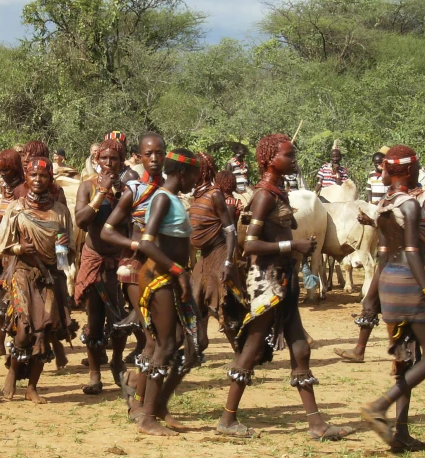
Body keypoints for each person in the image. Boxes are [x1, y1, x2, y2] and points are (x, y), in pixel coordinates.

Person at [218, 133, 352, 441]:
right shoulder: (264, 195)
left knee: (301, 349)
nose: (293, 161)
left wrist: (297, 250)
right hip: (267, 281)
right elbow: (250, 244)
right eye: (288, 156)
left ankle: (316, 424)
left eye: (293, 156)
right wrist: (293, 243)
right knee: (251, 350)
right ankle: (227, 419)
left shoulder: (277, 193)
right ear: (268, 160)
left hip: (284, 278)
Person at [360, 145, 425, 452]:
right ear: (408, 170)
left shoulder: (384, 204)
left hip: (389, 286)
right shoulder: (408, 205)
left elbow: (382, 255)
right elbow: (411, 253)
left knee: (405, 361)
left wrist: (372, 298)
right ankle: (379, 406)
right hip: (410, 284)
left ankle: (401, 435)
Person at [134, 148, 204, 436]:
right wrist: (180, 272)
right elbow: (147, 244)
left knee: (182, 340)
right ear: (181, 173)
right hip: (160, 277)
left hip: (170, 277)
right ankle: (147, 417)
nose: (196, 182)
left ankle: (158, 407)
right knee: (165, 345)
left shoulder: (172, 199)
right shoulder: (162, 198)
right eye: (194, 176)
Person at [0, 156, 75, 403]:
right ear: (26, 179)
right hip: (22, 273)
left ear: (50, 179)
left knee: (43, 330)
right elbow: (2, 246)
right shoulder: (16, 209)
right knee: (23, 329)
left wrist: (64, 251)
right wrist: (20, 249)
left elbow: (69, 252)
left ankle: (32, 387)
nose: (38, 180)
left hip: (49, 276)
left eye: (43, 176)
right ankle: (12, 370)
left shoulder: (60, 211)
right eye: (33, 176)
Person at [334, 173, 425, 364]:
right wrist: (372, 222)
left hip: (405, 262)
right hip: (387, 261)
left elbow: (424, 230)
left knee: (408, 308)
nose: (383, 174)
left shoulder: (416, 199)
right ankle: (359, 350)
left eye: (387, 170)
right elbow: (389, 228)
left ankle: (424, 356)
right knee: (370, 302)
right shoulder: (390, 198)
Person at [102, 132, 165, 420]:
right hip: (136, 270)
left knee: (163, 339)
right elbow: (108, 231)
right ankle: (142, 405)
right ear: (138, 157)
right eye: (148, 154)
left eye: (159, 153)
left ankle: (139, 394)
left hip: (163, 270)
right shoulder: (134, 191)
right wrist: (137, 244)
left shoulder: (170, 189)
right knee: (153, 338)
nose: (154, 158)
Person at [74, 138, 130, 394]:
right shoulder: (87, 187)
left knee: (119, 318)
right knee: (94, 318)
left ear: (122, 162)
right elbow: (82, 221)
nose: (108, 163)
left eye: (114, 159)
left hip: (120, 261)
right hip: (94, 259)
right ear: (96, 159)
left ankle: (117, 363)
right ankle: (95, 374)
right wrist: (102, 194)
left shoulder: (130, 189)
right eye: (104, 158)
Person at [189, 153, 245, 353]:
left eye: (194, 169)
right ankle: (200, 343)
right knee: (196, 300)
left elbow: (230, 230)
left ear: (202, 171)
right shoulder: (197, 195)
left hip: (219, 254)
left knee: (224, 306)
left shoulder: (215, 194)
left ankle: (241, 353)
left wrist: (228, 262)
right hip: (204, 257)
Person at [0, 149, 31, 360]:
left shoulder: (24, 189)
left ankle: (12, 343)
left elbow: (26, 220)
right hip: (9, 249)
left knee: (15, 296)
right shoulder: (6, 187)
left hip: (22, 250)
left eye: (6, 170)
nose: (2, 174)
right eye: (0, 171)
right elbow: (7, 215)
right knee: (3, 294)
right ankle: (1, 342)